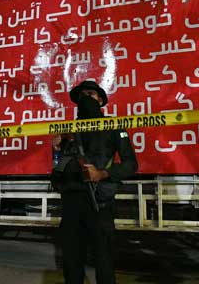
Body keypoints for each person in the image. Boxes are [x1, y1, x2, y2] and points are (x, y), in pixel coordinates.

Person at [51, 80, 138, 284]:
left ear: (100, 99)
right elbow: (60, 164)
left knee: (104, 261)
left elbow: (131, 164)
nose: (85, 98)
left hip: (99, 202)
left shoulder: (113, 126)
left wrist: (102, 174)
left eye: (90, 94)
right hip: (71, 202)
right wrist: (58, 147)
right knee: (72, 262)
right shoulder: (69, 130)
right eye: (82, 96)